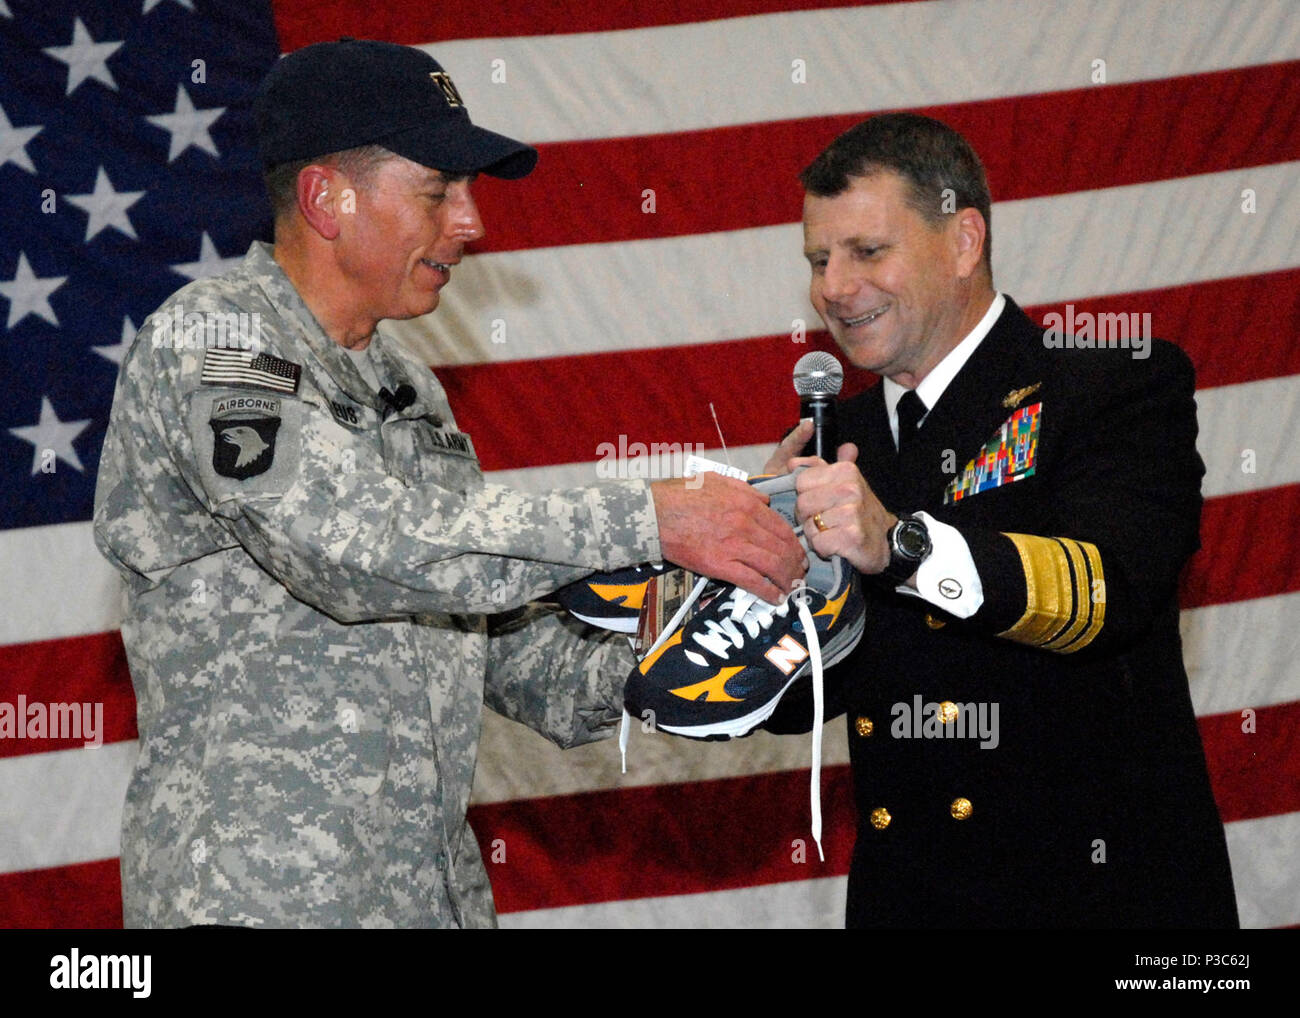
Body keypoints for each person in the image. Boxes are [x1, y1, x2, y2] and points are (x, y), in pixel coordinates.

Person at [92, 38, 804, 928]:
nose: (471, 224)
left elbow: (487, 631)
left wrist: (678, 647)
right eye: (438, 192)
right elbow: (359, 549)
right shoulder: (215, 343)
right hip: (255, 903)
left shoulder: (406, 386)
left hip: (429, 900)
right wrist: (649, 517)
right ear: (325, 198)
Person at [763, 113, 1238, 927]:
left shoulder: (1112, 387)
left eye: (867, 252)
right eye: (818, 259)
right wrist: (754, 591)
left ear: (963, 240)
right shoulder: (841, 442)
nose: (834, 288)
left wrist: (901, 546)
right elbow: (806, 701)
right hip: (908, 901)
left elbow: (1106, 592)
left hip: (1096, 898)